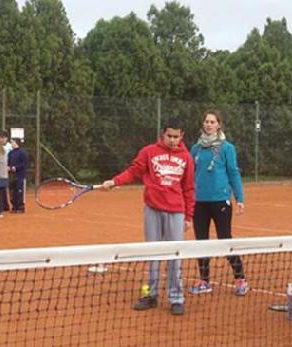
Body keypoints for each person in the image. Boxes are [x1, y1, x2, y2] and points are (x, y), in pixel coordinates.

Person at [101, 117, 195, 316]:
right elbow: (133, 171)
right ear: (163, 134)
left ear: (182, 136)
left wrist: (188, 216)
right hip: (152, 209)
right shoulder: (148, 152)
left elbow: (188, 188)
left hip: (176, 211)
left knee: (175, 256)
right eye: (169, 135)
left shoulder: (186, 158)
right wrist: (115, 181)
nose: (172, 140)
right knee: (152, 253)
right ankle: (151, 295)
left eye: (176, 136)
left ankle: (176, 298)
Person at [188, 109, 248, 296]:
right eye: (206, 121)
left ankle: (240, 279)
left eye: (212, 122)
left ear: (219, 125)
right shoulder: (196, 149)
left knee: (224, 239)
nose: (208, 124)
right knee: (201, 242)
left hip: (220, 200)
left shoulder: (227, 148)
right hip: (199, 202)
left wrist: (239, 198)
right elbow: (189, 176)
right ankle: (204, 281)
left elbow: (233, 173)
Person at [7, 138, 29, 213]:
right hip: (12, 176)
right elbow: (8, 163)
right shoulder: (10, 153)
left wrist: (16, 167)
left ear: (16, 143)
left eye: (12, 142)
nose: (11, 144)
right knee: (12, 192)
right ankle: (14, 206)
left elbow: (25, 164)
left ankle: (20, 207)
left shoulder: (22, 153)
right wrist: (8, 167)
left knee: (19, 191)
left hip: (20, 176)